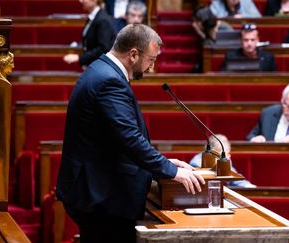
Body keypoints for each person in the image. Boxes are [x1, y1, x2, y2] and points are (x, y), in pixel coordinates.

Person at [56, 24, 205, 243]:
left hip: (97, 190)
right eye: (151, 60)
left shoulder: (101, 70)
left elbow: (114, 139)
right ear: (133, 54)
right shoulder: (109, 81)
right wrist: (170, 170)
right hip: (101, 195)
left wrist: (163, 162)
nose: (151, 68)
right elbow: (129, 138)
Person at [63, 0, 117, 68]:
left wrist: (79, 58)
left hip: (100, 67)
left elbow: (103, 48)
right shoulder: (93, 17)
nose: (80, 1)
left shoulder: (103, 20)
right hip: (94, 65)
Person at [189, 134, 256, 188]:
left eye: (227, 154)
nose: (228, 157)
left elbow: (235, 179)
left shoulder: (224, 159)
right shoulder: (196, 164)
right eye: (224, 155)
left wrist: (250, 187)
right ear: (212, 153)